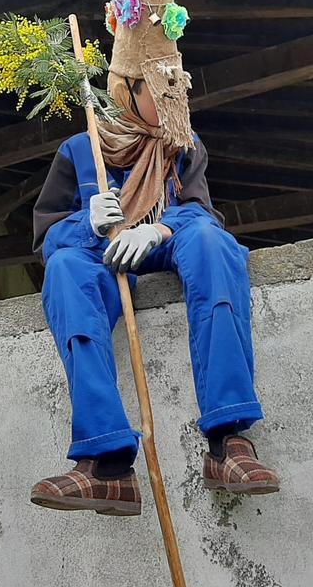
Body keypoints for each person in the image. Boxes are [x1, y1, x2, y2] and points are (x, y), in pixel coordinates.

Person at [28, 73, 280, 517]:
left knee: (212, 243)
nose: (175, 98)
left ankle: (228, 442)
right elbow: (48, 240)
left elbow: (202, 215)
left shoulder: (185, 143)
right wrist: (85, 224)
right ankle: (106, 465)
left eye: (180, 87)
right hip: (105, 255)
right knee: (66, 268)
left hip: (166, 244)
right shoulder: (80, 149)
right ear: (130, 91)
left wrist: (160, 228)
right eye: (162, 90)